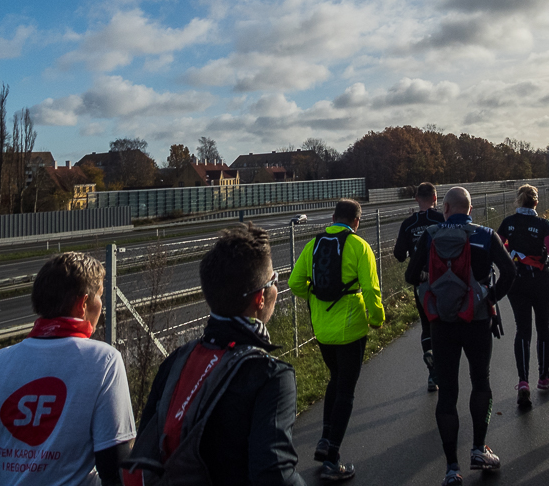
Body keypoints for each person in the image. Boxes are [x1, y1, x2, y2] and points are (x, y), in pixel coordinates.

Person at [0, 251, 136, 486]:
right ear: (82, 304)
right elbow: (115, 468)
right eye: (100, 297)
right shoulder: (103, 361)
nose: (101, 307)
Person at [135, 223, 306, 486]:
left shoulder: (175, 362)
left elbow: (144, 454)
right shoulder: (271, 377)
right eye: (274, 280)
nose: (276, 286)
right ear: (260, 298)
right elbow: (275, 476)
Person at [405, 186, 517, 486]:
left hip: (441, 323)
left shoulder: (430, 235)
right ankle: (479, 450)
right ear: (470, 209)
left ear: (445, 208)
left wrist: (431, 285)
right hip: (477, 318)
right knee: (481, 381)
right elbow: (509, 273)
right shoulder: (485, 235)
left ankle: (452, 468)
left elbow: (409, 276)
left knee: (448, 391)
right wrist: (491, 298)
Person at [288, 199, 384, 482]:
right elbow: (370, 287)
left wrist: (317, 298)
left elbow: (295, 283)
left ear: (333, 218)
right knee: (346, 390)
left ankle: (324, 437)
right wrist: (377, 318)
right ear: (356, 221)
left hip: (322, 329)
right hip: (351, 329)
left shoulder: (313, 244)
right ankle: (332, 458)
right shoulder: (359, 246)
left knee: (335, 379)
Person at [498, 184, 549, 406]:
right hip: (540, 281)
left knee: (522, 330)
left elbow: (497, 248)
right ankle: (544, 376)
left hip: (516, 283)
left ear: (518, 200)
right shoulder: (543, 224)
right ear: (536, 202)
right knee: (543, 326)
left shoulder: (508, 223)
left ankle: (523, 381)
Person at [393, 181, 445, 391]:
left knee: (426, 324)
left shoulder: (408, 223)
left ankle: (432, 372)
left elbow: (398, 255)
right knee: (443, 322)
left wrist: (411, 252)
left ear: (416, 199)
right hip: (442, 279)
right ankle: (443, 366)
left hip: (420, 281)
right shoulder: (441, 219)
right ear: (435, 198)